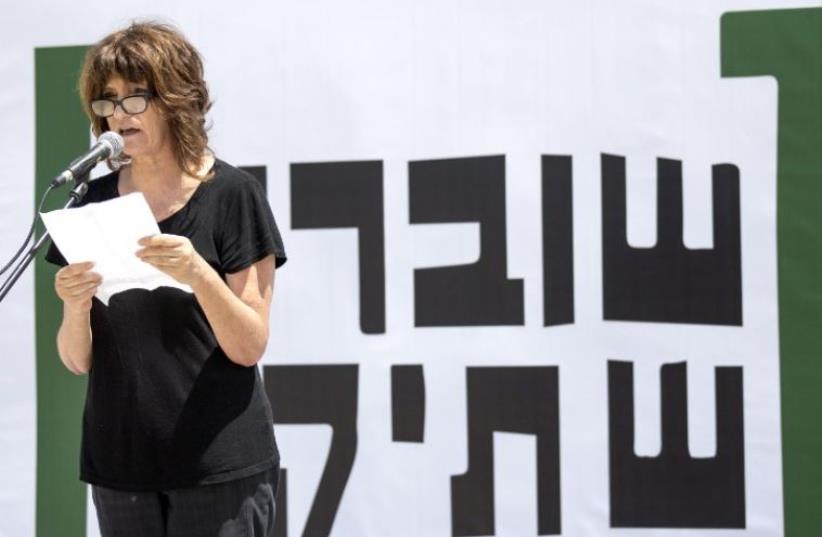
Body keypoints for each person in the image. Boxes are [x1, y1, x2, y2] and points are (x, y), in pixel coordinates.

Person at [45, 21, 286, 537]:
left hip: (217, 465)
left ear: (177, 98)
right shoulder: (90, 202)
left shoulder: (233, 194)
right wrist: (73, 303)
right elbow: (75, 359)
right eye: (107, 101)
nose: (117, 114)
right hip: (120, 465)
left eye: (135, 97)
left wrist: (198, 272)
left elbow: (249, 345)